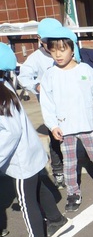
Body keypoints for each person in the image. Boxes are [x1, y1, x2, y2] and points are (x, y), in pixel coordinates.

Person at [0, 43, 71, 237]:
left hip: (20, 159)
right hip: (30, 153)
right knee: (39, 188)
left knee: (26, 200)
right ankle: (56, 219)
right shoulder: (5, 86)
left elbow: (9, 132)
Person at [39, 26, 93, 212]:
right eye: (53, 51)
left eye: (62, 49)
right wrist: (52, 125)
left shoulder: (85, 70)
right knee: (70, 163)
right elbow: (47, 103)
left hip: (87, 124)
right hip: (65, 127)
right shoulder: (50, 75)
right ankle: (73, 192)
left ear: (72, 48)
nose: (58, 55)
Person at [17, 17, 65, 187]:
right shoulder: (36, 58)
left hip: (69, 101)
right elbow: (23, 76)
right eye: (47, 41)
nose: (51, 45)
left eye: (55, 40)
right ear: (40, 40)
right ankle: (58, 170)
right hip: (50, 105)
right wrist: (35, 85)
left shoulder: (66, 50)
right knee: (55, 138)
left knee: (78, 133)